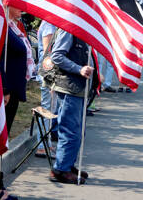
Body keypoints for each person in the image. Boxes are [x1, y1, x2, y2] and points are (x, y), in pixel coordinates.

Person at [0, 0, 34, 200]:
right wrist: (3, 88)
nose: (22, 6)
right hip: (4, 92)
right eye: (17, 1)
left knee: (1, 141)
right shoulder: (0, 24)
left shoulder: (15, 25)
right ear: (6, 2)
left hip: (12, 91)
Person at [49, 29, 97, 184]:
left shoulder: (80, 29)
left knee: (76, 131)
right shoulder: (68, 29)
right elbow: (57, 56)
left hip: (77, 88)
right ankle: (60, 170)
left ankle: (67, 165)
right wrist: (79, 69)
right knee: (70, 131)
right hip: (70, 88)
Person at [35, 20, 57, 157]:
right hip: (48, 73)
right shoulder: (49, 24)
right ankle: (42, 146)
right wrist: (51, 77)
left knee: (49, 109)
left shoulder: (49, 23)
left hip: (47, 72)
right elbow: (48, 52)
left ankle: (47, 143)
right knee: (47, 109)